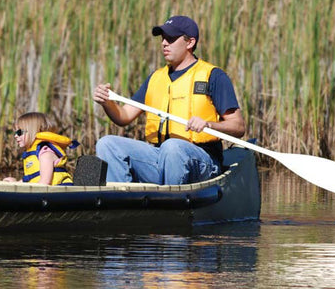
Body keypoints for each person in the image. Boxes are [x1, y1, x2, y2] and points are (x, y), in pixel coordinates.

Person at [92, 15, 245, 185]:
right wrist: (107, 102)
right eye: (163, 38)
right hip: (160, 156)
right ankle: (121, 205)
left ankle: (172, 206)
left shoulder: (214, 76)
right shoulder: (156, 78)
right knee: (107, 144)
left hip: (202, 161)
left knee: (173, 147)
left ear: (190, 43)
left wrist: (208, 125)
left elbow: (237, 126)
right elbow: (123, 116)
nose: (164, 43)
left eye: (171, 39)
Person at [3, 112, 78, 185]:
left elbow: (44, 183)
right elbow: (32, 178)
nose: (16, 136)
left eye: (19, 132)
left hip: (60, 192)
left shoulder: (45, 154)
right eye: (15, 133)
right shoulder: (32, 154)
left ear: (33, 131)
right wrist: (15, 183)